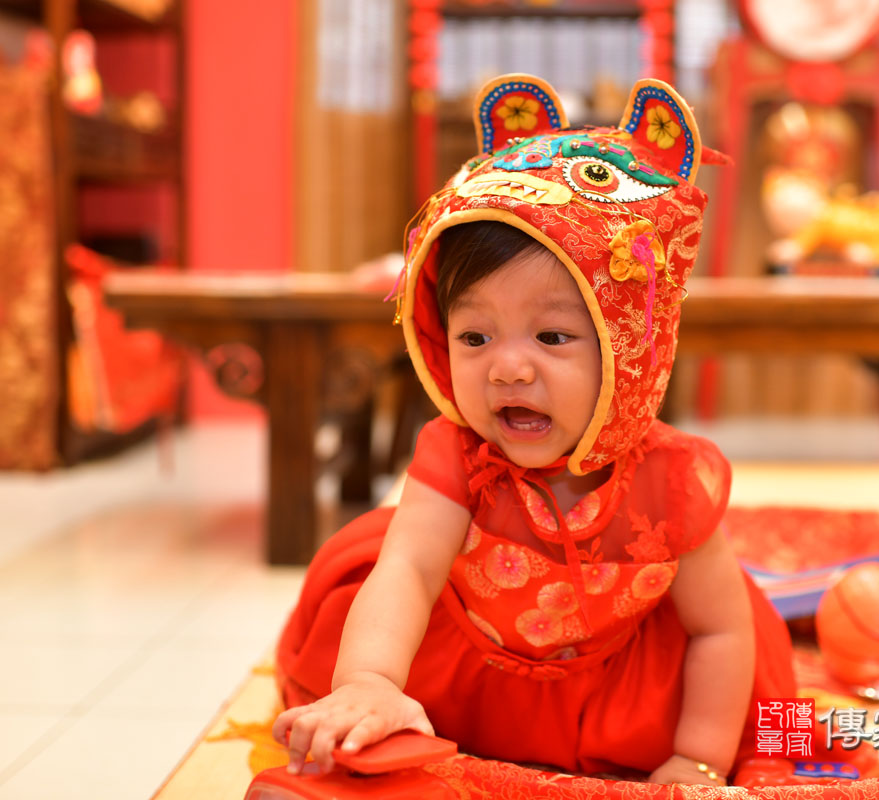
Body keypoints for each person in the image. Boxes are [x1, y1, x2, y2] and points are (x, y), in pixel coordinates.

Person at [271, 74, 796, 787]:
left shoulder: (672, 481)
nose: (507, 369)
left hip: (619, 694)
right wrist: (371, 680)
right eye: (475, 337)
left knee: (751, 656)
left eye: (551, 336)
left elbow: (718, 630)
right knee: (365, 592)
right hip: (463, 678)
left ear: (629, 347)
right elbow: (409, 570)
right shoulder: (456, 453)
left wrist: (696, 756)